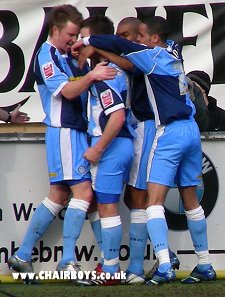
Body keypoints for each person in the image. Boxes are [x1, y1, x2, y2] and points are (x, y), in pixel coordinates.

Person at [72, 15, 216, 285]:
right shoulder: (172, 50)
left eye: (138, 35)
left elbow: (125, 54)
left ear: (153, 38)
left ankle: (159, 265)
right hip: (190, 129)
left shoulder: (150, 56)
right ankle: (204, 264)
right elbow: (127, 58)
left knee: (150, 201)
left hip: (164, 131)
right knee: (188, 199)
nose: (135, 41)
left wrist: (88, 41)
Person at [7, 4, 117, 283]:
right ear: (55, 30)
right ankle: (68, 261)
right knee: (83, 193)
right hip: (64, 132)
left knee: (60, 194)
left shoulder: (65, 55)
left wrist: (84, 67)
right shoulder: (47, 55)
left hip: (75, 132)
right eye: (70, 34)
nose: (73, 39)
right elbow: (67, 92)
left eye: (76, 34)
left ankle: (22, 255)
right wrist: (91, 75)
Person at [70, 15, 135, 286]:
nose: (77, 48)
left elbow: (117, 117)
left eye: (83, 41)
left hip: (113, 144)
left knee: (108, 207)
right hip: (120, 144)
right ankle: (111, 266)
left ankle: (110, 271)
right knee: (105, 205)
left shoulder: (105, 74)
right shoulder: (110, 70)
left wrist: (97, 148)